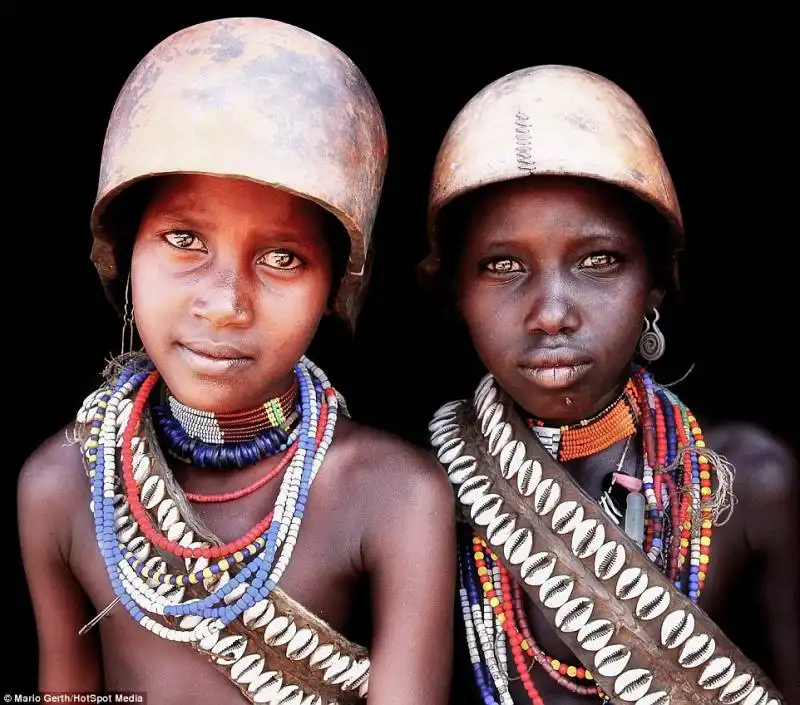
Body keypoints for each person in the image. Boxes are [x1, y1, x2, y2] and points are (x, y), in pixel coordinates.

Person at [17, 17, 455, 705]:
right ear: (126, 249)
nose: (225, 303)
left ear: (333, 288)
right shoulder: (62, 485)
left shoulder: (393, 497)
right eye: (184, 238)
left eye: (283, 258)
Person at [419, 65, 796, 704]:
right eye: (502, 266)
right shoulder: (425, 495)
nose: (551, 312)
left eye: (599, 262)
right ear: (457, 290)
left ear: (656, 280)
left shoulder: (750, 484)